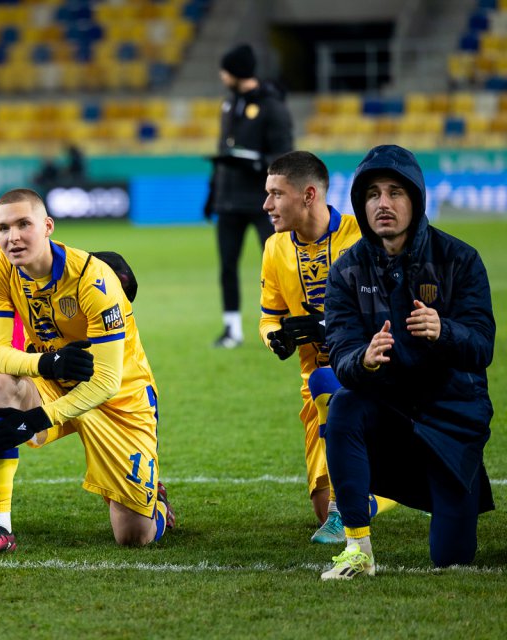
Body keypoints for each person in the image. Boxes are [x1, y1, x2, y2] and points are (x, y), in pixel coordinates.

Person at [321, 144, 496, 580]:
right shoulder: (346, 271)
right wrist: (363, 359)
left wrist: (444, 330)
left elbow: (482, 347)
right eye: (373, 194)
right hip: (391, 417)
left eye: (395, 192)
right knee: (343, 404)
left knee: (452, 558)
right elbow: (341, 354)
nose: (383, 203)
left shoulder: (460, 259)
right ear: (361, 204)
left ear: (415, 199)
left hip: (451, 423)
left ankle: (454, 488)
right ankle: (357, 548)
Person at [0, 188, 173, 556]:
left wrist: (37, 419)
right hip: (54, 383)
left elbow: (106, 381)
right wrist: (48, 364)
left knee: (133, 536)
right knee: (1, 387)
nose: (13, 237)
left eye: (23, 224)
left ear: (47, 226)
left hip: (119, 399)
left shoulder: (94, 280)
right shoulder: (0, 268)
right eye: (3, 228)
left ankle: (153, 501)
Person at [259, 151, 396, 545]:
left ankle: (356, 502)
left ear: (309, 195)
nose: (267, 204)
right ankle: (399, 490)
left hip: (372, 373)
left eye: (276, 194)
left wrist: (326, 327)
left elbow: (390, 313)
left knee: (340, 507)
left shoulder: (362, 238)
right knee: (324, 508)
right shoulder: (274, 248)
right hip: (314, 382)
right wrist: (276, 338)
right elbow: (269, 316)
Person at [206, 43, 293, 348]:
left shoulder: (273, 107)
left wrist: (257, 162)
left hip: (263, 201)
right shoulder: (229, 105)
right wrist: (212, 195)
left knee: (277, 263)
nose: (222, 76)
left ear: (237, 72)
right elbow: (223, 152)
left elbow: (284, 155)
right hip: (228, 201)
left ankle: (289, 322)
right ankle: (232, 330)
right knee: (227, 266)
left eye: (225, 70)